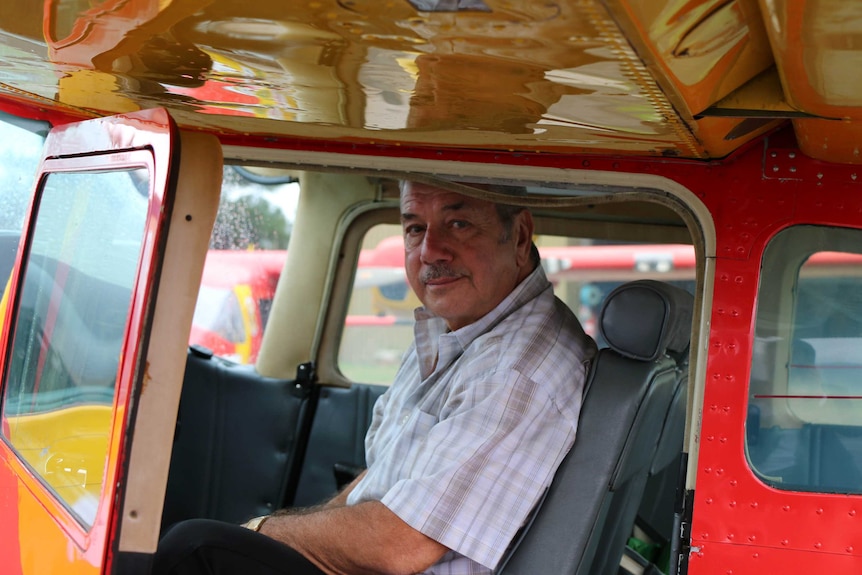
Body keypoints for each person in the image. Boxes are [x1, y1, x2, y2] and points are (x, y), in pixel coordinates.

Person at [153, 180, 596, 575]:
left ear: (518, 236)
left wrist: (262, 530)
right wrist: (271, 538)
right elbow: (386, 474)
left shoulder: (516, 372)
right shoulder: (458, 330)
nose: (430, 251)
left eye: (458, 223)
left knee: (193, 549)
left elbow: (401, 545)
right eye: (414, 228)